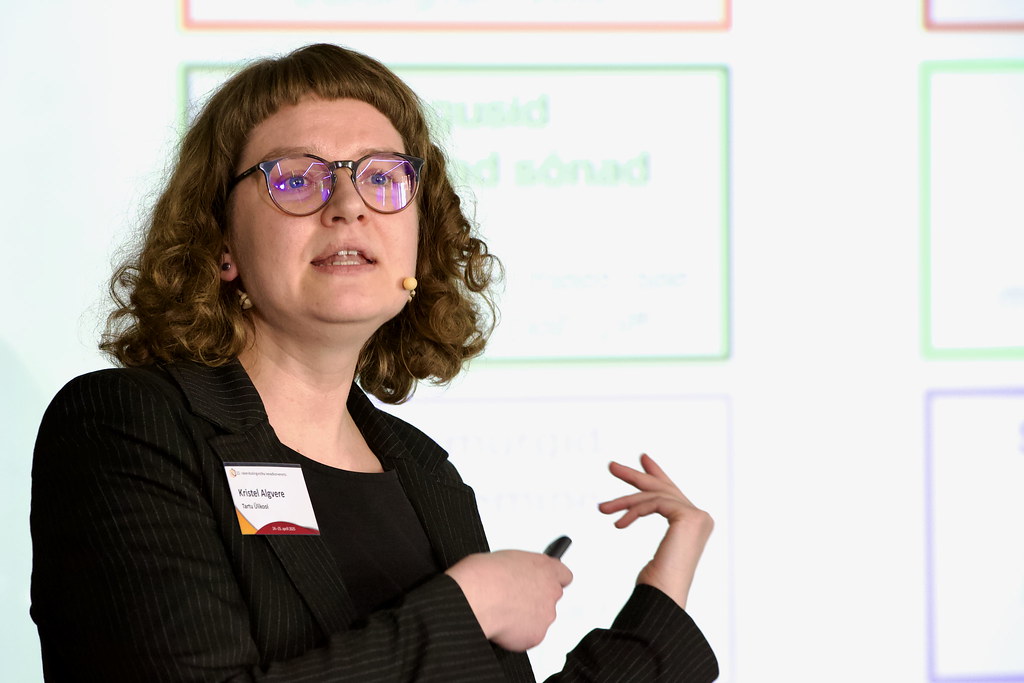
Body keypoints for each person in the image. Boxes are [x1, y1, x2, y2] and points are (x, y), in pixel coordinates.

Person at [30, 43, 719, 682]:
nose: (348, 205)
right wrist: (469, 605)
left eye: (383, 177)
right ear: (221, 244)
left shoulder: (424, 473)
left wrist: (665, 594)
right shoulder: (124, 426)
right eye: (295, 179)